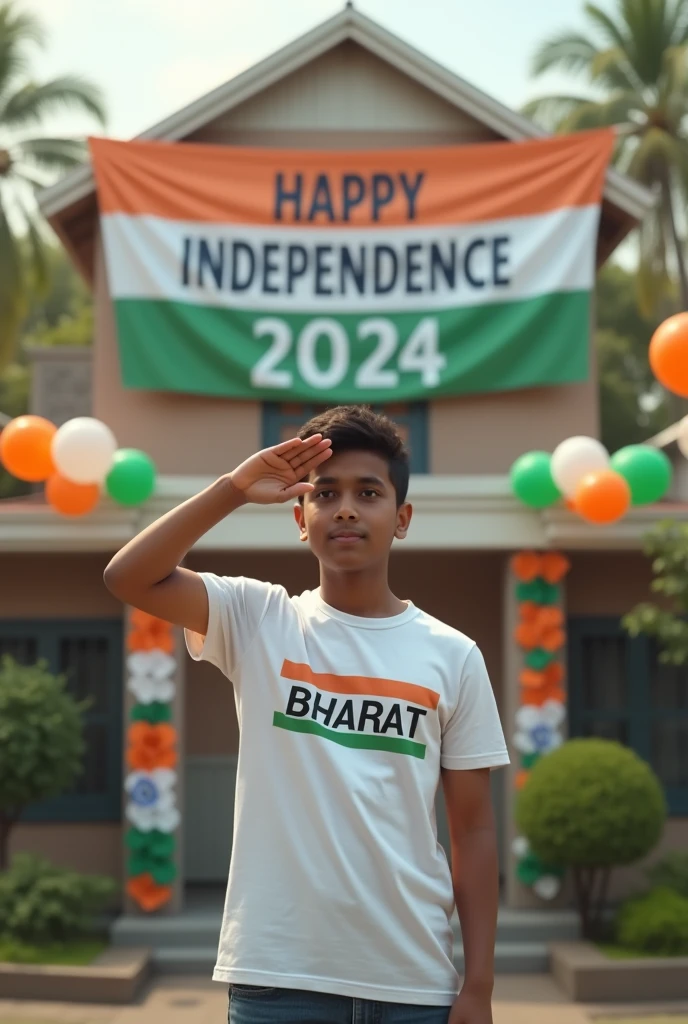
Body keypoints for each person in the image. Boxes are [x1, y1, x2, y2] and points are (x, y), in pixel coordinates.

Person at [104, 405, 509, 1024]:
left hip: (415, 984)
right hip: (278, 981)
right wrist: (233, 490)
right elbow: (129, 575)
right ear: (300, 518)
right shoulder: (259, 619)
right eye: (326, 493)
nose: (346, 508)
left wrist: (477, 987)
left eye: (368, 493)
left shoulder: (453, 656)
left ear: (401, 519)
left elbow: (474, 833)